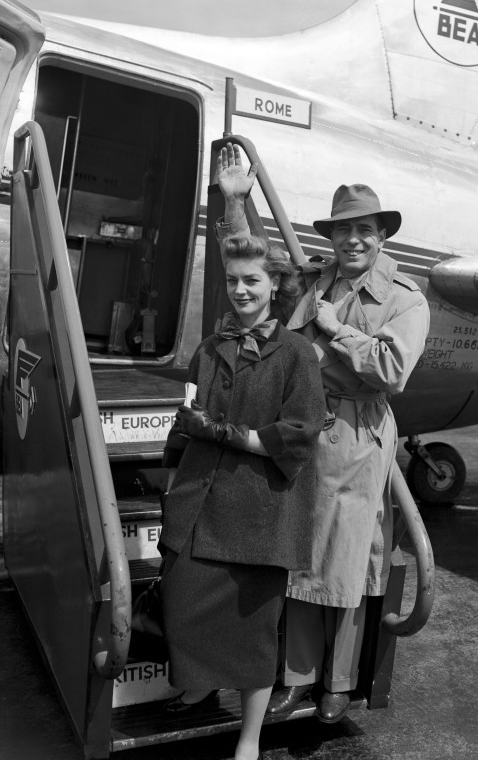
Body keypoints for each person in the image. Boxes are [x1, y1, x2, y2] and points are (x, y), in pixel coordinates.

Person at [215, 143, 430, 724]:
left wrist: (336, 330)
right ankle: (298, 679)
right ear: (332, 238)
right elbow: (251, 268)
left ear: (381, 235)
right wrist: (238, 201)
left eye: (364, 230)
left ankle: (336, 684)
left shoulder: (405, 299)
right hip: (308, 427)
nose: (353, 240)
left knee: (348, 563)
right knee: (300, 557)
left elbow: (391, 371)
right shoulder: (314, 280)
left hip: (360, 435)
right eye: (343, 231)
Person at [158, 233, 325, 760]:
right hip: (199, 503)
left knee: (254, 635)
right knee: (182, 605)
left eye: (252, 280)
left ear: (275, 284)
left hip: (261, 513)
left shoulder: (297, 353)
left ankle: (248, 743)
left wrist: (224, 433)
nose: (240, 290)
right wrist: (173, 478)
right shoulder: (210, 348)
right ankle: (201, 682)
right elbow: (186, 427)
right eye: (232, 281)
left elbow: (298, 434)